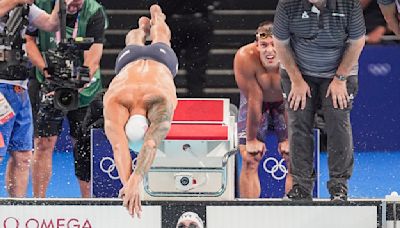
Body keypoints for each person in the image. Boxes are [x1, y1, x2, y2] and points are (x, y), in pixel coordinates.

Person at [273, 0, 365, 201]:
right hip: (298, 71)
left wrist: (340, 78)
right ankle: (301, 185)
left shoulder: (350, 4)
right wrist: (296, 80)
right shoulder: (288, 4)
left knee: (338, 123)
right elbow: (280, 44)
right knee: (298, 124)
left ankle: (339, 186)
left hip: (340, 71)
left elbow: (357, 42)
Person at [25, 0, 107, 198]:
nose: (73, 5)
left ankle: (89, 204)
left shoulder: (94, 11)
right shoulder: (40, 5)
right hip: (48, 83)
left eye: (78, 3)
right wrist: (45, 70)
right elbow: (28, 41)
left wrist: (81, 79)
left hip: (83, 90)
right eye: (69, 2)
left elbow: (94, 55)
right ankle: (39, 202)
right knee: (44, 143)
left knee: (84, 145)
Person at [103, 4, 178, 217]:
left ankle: (153, 20)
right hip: (132, 61)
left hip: (158, 62)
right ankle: (148, 24)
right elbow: (130, 146)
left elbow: (131, 145)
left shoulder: (120, 100)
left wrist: (133, 182)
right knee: (139, 41)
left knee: (160, 37)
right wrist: (131, 185)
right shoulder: (119, 99)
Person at [0, 0, 60, 197]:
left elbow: (52, 24)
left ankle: (17, 207)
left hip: (21, 89)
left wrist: (61, 4)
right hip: (0, 88)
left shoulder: (27, 8)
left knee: (24, 155)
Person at [234, 21, 292, 198]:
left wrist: (289, 138)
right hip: (255, 100)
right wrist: (251, 139)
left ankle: (295, 210)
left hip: (286, 101)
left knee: (295, 158)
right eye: (264, 45)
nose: (269, 51)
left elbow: (292, 100)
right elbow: (254, 100)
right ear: (256, 44)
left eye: (274, 45)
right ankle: (250, 216)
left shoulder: (294, 55)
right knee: (250, 158)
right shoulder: (244, 56)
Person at [157, 0, 214, 98]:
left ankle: (168, 99)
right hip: (197, 20)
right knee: (197, 68)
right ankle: (196, 101)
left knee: (168, 67)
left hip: (173, 22)